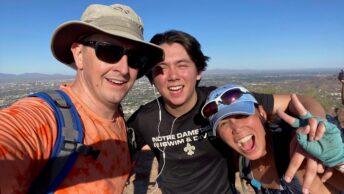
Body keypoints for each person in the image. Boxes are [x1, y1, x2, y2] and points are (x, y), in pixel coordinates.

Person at [126, 30, 327, 194]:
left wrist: (317, 126)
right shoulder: (145, 119)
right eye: (160, 69)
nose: (173, 76)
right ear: (152, 77)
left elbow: (301, 101)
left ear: (199, 71)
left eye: (182, 65)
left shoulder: (223, 102)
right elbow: (115, 150)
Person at [0, 3, 163, 194]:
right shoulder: (44, 119)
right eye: (109, 51)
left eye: (135, 58)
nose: (124, 69)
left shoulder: (118, 118)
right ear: (79, 54)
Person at [202, 83, 344, 193]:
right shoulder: (242, 164)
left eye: (241, 115)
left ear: (262, 114)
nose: (236, 128)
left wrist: (338, 161)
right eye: (224, 124)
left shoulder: (297, 149)